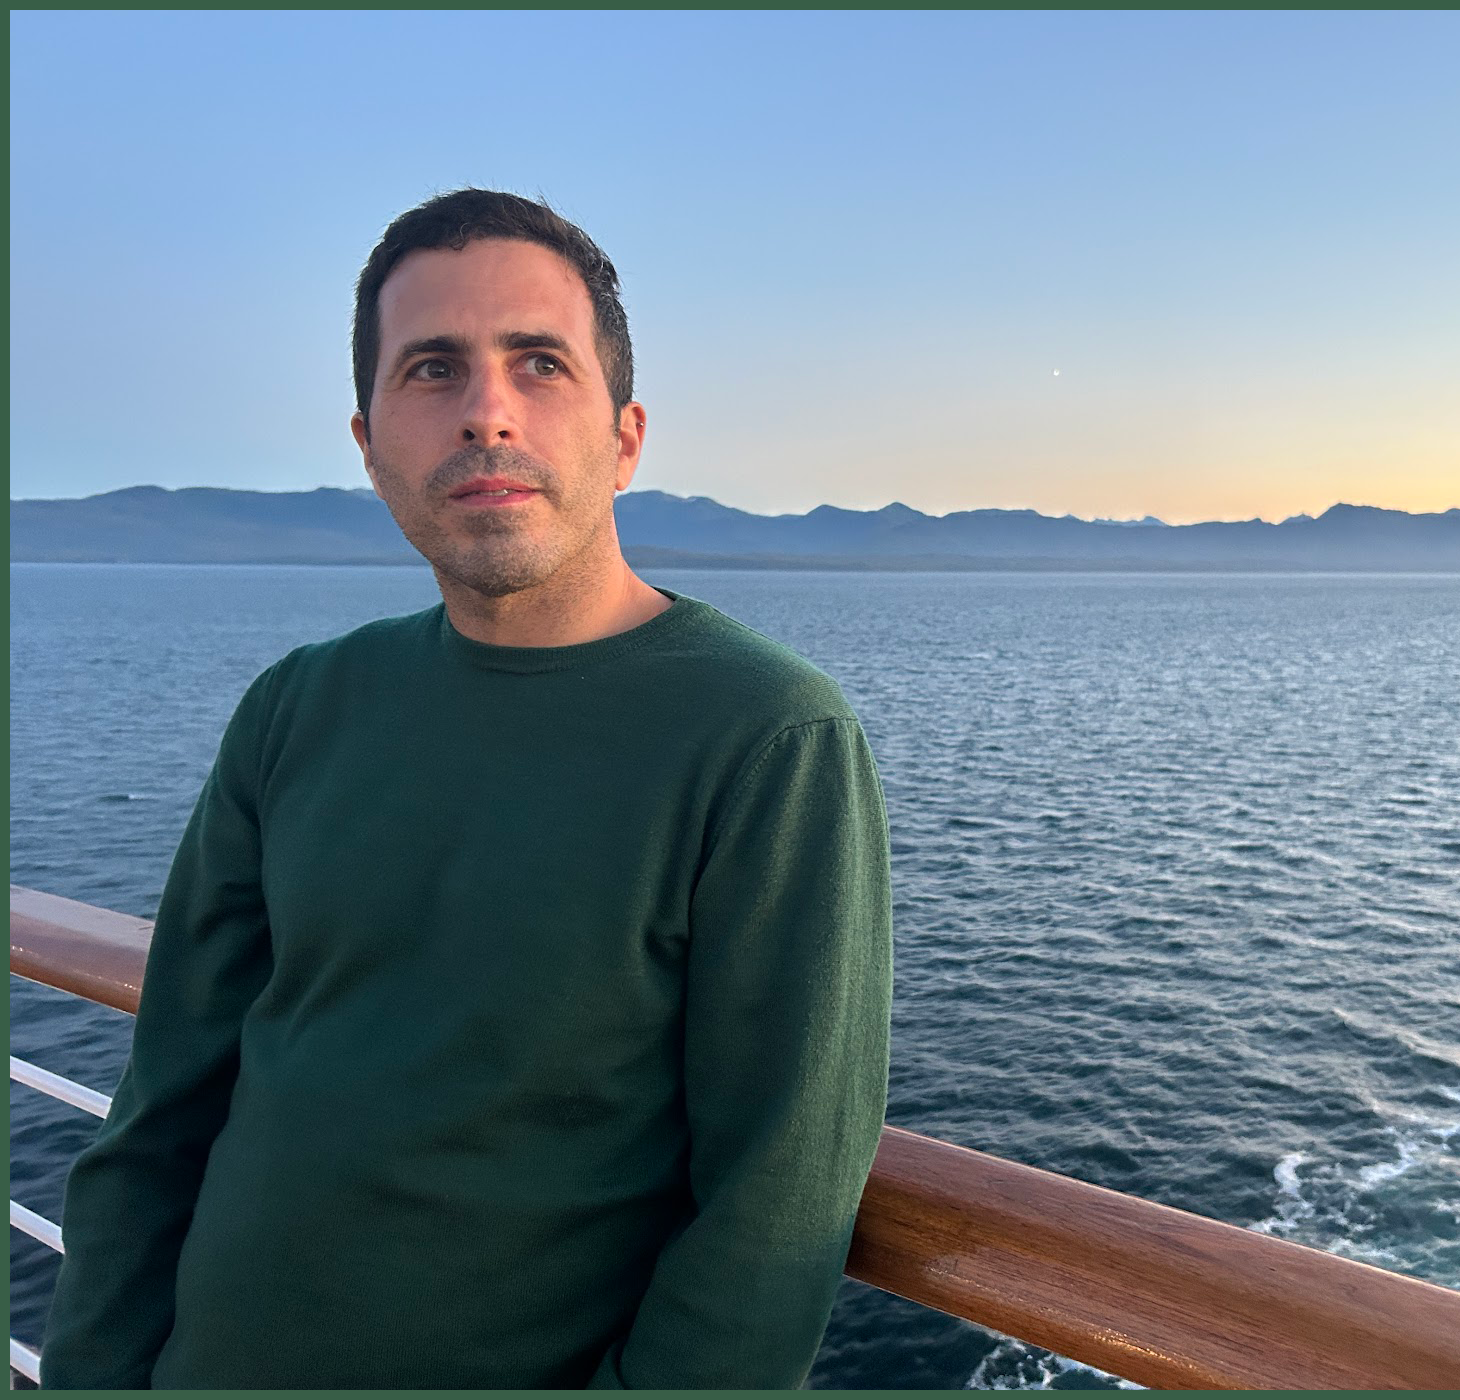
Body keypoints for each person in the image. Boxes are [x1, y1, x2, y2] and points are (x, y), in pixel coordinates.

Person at [40, 189, 894, 1390]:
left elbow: (774, 1211)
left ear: (627, 435)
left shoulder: (765, 735)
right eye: (432, 369)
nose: (486, 413)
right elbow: (162, 1111)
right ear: (370, 444)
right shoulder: (297, 707)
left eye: (539, 363)